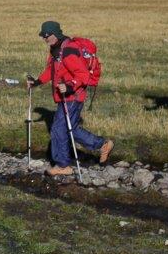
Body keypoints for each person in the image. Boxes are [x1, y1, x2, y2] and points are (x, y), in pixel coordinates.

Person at [26, 21, 113, 176]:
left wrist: (70, 86)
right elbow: (51, 71)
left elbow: (83, 76)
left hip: (73, 96)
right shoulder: (56, 49)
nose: (45, 39)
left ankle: (62, 165)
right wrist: (37, 82)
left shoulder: (69, 51)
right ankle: (103, 145)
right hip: (66, 96)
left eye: (47, 36)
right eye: (43, 36)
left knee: (58, 129)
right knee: (70, 128)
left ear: (55, 34)